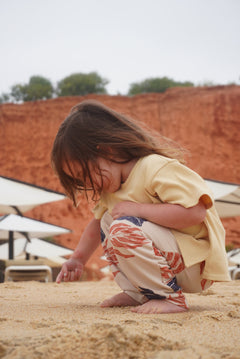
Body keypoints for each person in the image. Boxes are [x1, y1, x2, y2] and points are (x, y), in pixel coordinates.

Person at [51, 100, 230, 314]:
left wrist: (137, 210)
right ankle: (140, 293)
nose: (88, 184)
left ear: (107, 150)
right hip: (171, 262)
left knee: (121, 227)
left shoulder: (154, 167)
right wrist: (77, 259)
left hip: (195, 264)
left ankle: (171, 299)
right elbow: (96, 225)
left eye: (84, 174)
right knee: (108, 221)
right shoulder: (112, 192)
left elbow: (196, 212)